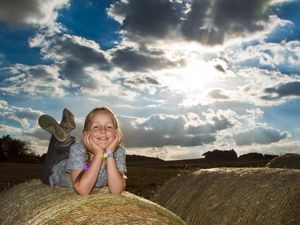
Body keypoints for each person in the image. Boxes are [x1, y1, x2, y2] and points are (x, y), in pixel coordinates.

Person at [38, 107, 126, 195]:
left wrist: (109, 153)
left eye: (109, 126)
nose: (103, 130)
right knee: (45, 176)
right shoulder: (78, 149)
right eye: (96, 126)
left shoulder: (119, 152)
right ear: (86, 134)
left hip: (76, 160)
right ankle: (63, 137)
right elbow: (82, 190)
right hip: (56, 168)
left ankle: (65, 141)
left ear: (117, 133)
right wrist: (98, 154)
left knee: (69, 148)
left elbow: (116, 191)